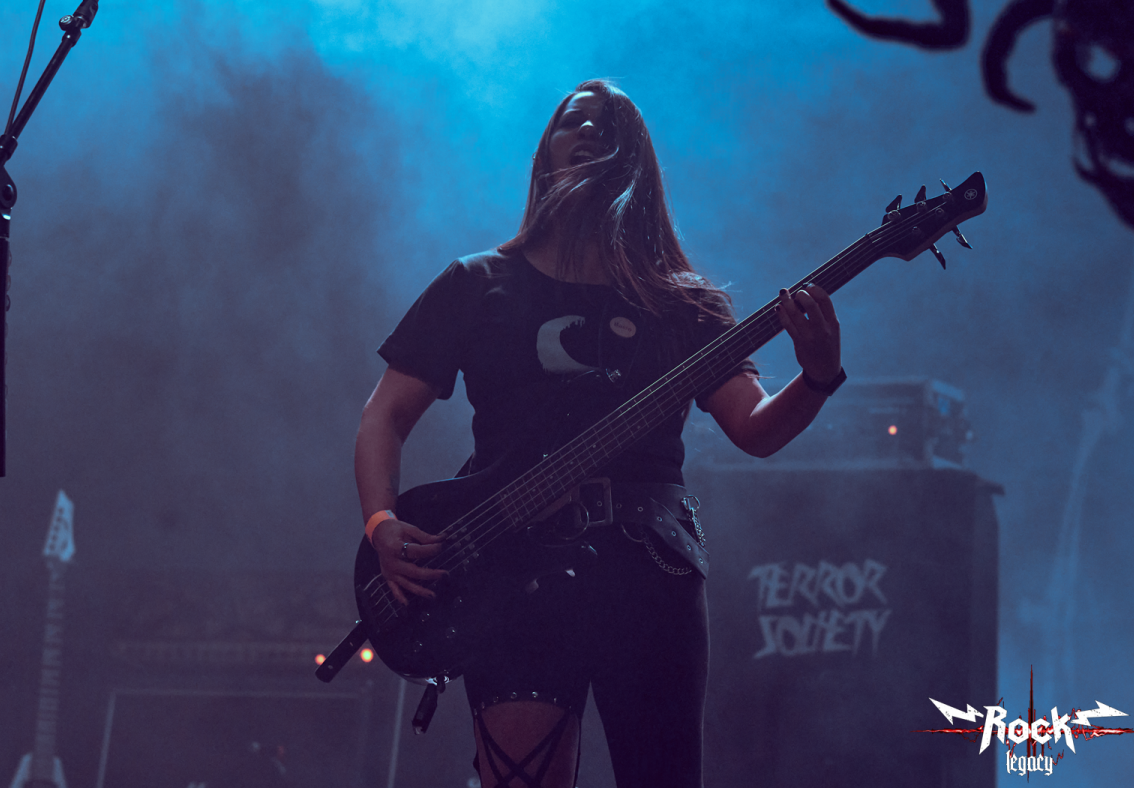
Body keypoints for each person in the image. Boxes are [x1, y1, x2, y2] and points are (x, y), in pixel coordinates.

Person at [354, 79, 843, 788]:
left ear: (635, 161)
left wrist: (818, 374)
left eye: (608, 126)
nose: (587, 131)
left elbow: (755, 428)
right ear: (544, 153)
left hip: (649, 571)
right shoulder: (475, 283)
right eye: (572, 121)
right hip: (508, 571)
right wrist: (381, 522)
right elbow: (384, 415)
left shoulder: (683, 304)